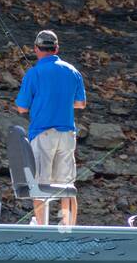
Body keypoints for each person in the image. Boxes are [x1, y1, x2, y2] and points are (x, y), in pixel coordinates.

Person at [13, 29, 86, 225]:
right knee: (67, 186)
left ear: (36, 49)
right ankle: (68, 229)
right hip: (67, 134)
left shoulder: (33, 73)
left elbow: (21, 107)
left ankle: (42, 229)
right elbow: (80, 104)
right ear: (56, 48)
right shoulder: (73, 71)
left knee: (40, 184)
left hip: (42, 133)